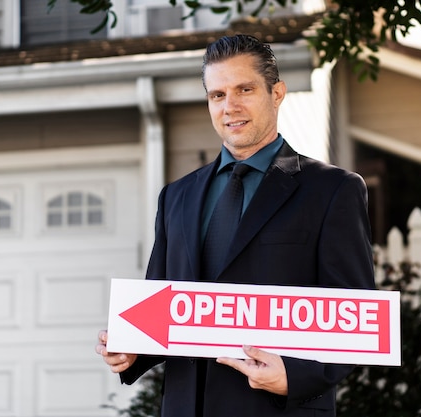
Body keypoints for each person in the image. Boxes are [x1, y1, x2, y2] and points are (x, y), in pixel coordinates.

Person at [96, 34, 375, 417]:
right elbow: (163, 310)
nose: (231, 106)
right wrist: (132, 350)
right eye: (218, 95)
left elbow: (355, 318)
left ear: (277, 93)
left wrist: (296, 375)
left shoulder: (332, 191)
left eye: (245, 89)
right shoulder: (176, 197)